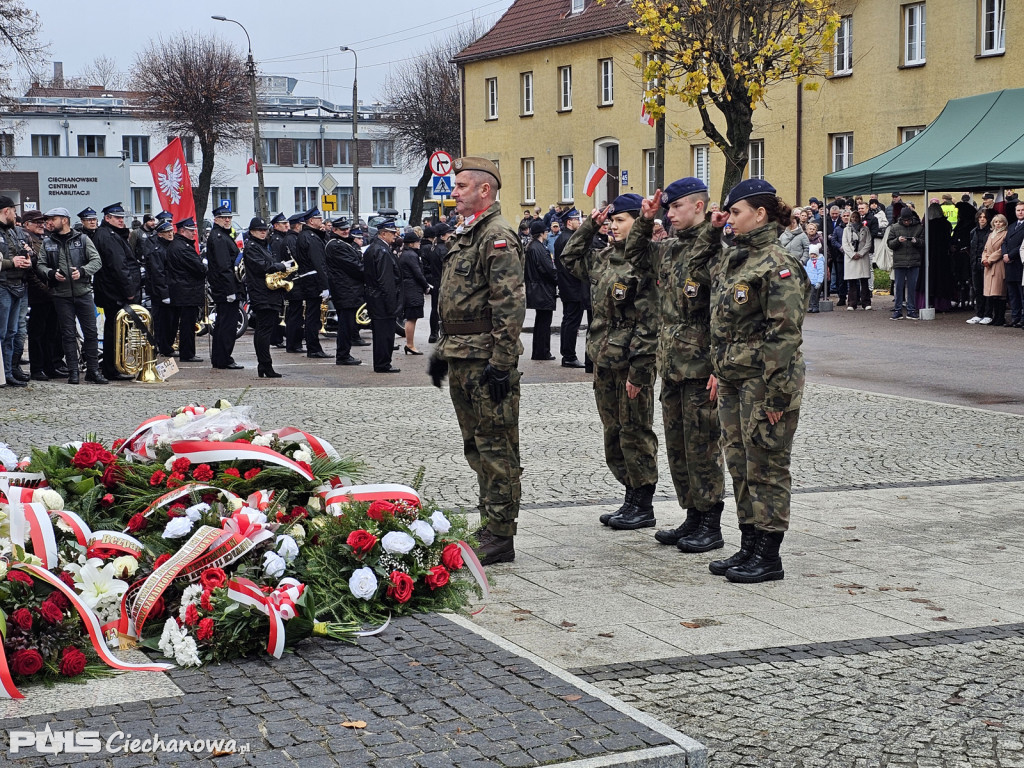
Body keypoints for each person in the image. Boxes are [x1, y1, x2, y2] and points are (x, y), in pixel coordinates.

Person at [707, 179, 808, 583]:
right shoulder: (739, 257)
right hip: (734, 377)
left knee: (767, 463)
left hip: (765, 382)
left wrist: (778, 395)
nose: (729, 218)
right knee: (739, 462)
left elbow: (784, 333)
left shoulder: (776, 262)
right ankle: (748, 543)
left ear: (760, 214)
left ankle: (769, 555)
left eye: (735, 212)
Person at [429, 157, 525, 565]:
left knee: (496, 446)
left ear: (485, 190)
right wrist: (439, 349)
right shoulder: (469, 235)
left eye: (462, 185)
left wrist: (502, 363)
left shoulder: (497, 236)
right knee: (475, 445)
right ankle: (489, 522)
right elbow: (456, 301)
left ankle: (501, 535)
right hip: (461, 356)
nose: (454, 192)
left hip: (485, 359)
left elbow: (509, 304)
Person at [624, 178, 726, 544]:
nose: (670, 214)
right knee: (678, 446)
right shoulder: (668, 249)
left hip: (700, 366)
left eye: (676, 207)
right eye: (667, 208)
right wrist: (643, 219)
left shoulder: (715, 250)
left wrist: (719, 366)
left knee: (703, 447)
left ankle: (710, 524)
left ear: (699, 206)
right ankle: (692, 515)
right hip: (671, 365)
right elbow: (633, 254)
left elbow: (721, 314)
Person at [563, 194, 658, 529]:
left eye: (621, 220)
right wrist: (589, 224)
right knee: (614, 431)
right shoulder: (603, 258)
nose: (613, 226)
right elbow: (569, 257)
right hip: (604, 357)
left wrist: (641, 370)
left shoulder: (644, 262)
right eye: (611, 220)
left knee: (635, 430)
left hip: (631, 361)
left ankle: (643, 501)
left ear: (638, 222)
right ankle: (629, 494)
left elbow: (650, 321)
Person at [37, 207, 106, 384]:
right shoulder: (47, 242)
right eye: (48, 220)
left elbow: (96, 260)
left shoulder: (82, 239)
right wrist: (51, 274)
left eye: (53, 219)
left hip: (83, 292)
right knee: (67, 335)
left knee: (91, 333)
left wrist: (83, 271)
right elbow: (41, 265)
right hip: (61, 295)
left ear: (64, 220)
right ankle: (73, 372)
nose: (49, 223)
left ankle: (93, 371)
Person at [91, 202, 142, 382]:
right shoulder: (108, 236)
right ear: (107, 218)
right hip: (114, 293)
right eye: (117, 218)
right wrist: (129, 292)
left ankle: (112, 367)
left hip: (112, 291)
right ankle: (111, 368)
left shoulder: (110, 234)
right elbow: (118, 266)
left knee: (116, 331)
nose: (121, 221)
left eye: (122, 218)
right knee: (115, 332)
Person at [242, 217, 287, 377]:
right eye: (259, 230)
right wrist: (280, 266)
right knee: (264, 330)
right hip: (262, 293)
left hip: (268, 293)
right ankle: (265, 365)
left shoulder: (261, 246)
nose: (263, 232)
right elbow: (263, 267)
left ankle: (264, 365)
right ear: (252, 231)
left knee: (264, 329)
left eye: (264, 230)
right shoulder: (252, 247)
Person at [206, 205, 244, 370]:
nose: (227, 220)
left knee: (224, 324)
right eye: (223, 218)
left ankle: (220, 358)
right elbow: (223, 266)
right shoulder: (219, 237)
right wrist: (230, 291)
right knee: (227, 325)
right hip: (226, 288)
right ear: (216, 219)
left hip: (224, 287)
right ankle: (224, 358)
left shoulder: (221, 235)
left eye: (229, 217)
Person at [164, 218, 207, 362]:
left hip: (184, 289)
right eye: (190, 231)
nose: (193, 234)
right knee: (187, 324)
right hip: (187, 290)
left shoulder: (178, 245)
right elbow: (199, 269)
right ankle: (187, 353)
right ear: (182, 231)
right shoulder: (182, 247)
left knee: (185, 323)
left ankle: (187, 352)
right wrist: (203, 266)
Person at [363, 219, 402, 373]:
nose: (395, 235)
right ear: (383, 233)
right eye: (392, 233)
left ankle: (382, 363)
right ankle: (383, 364)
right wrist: (392, 304)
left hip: (376, 297)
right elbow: (386, 281)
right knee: (384, 334)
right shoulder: (382, 251)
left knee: (381, 333)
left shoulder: (375, 248)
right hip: (382, 300)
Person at [0, 196, 31, 387]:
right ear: (6, 211)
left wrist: (27, 259)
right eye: (13, 210)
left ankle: (9, 372)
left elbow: (21, 252)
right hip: (2, 286)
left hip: (17, 285)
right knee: (2, 333)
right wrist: (13, 263)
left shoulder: (12, 232)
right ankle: (2, 373)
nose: (16, 214)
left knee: (11, 332)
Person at [324, 218, 364, 366]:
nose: (346, 231)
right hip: (345, 289)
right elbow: (353, 266)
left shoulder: (341, 244)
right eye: (342, 230)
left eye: (347, 229)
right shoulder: (336, 246)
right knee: (346, 324)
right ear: (334, 230)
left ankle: (344, 353)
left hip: (346, 288)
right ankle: (343, 355)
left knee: (347, 323)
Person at [291, 208, 330, 358]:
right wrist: (325, 285)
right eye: (318, 218)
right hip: (313, 280)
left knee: (312, 315)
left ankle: (313, 347)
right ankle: (313, 348)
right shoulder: (310, 237)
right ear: (311, 221)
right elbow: (319, 262)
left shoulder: (307, 235)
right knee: (313, 317)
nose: (321, 221)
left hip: (310, 279)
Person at [555, 210, 587, 369]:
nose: (579, 222)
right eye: (576, 219)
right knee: (571, 322)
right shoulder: (568, 239)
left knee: (569, 321)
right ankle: (569, 356)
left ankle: (568, 355)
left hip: (569, 287)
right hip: (572, 287)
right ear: (569, 221)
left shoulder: (564, 237)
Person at [524, 220, 557, 361]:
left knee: (540, 322)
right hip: (542, 289)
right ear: (542, 233)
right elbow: (548, 269)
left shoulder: (532, 246)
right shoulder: (539, 248)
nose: (548, 233)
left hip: (536, 288)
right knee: (544, 322)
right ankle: (542, 352)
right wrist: (558, 279)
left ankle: (539, 351)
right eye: (546, 231)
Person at [887, 208, 924, 320]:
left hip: (914, 262)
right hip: (900, 262)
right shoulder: (894, 227)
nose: (906, 222)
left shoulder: (919, 227)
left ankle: (911, 310)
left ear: (911, 218)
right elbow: (889, 243)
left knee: (912, 287)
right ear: (901, 219)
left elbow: (924, 242)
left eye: (908, 220)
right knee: (898, 287)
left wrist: (916, 241)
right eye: (904, 220)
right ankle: (897, 310)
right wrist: (898, 240)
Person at [398, 229, 430, 355]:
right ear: (411, 244)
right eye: (417, 242)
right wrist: (426, 285)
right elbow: (417, 273)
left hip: (408, 287)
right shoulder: (411, 255)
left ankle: (410, 344)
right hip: (412, 289)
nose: (419, 244)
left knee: (412, 317)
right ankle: (410, 344)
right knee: (412, 318)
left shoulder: (405, 254)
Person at [150, 221, 177, 356]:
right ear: (160, 234)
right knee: (163, 322)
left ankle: (167, 346)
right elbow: (158, 273)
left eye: (171, 231)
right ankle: (163, 347)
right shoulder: (158, 250)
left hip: (172, 289)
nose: (170, 234)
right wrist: (164, 293)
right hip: (161, 293)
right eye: (167, 232)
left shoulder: (170, 247)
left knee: (171, 321)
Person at [842, 208, 873, 310]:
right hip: (851, 259)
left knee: (864, 281)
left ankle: (866, 303)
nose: (855, 219)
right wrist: (852, 254)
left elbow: (868, 243)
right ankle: (852, 303)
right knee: (852, 282)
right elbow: (845, 244)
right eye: (853, 217)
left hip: (862, 258)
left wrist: (860, 253)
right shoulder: (846, 230)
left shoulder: (865, 229)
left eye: (857, 217)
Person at [1000, 201, 1024, 327]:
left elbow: (1022, 246)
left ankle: (1022, 319)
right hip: (1009, 265)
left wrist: (1010, 255)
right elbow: (1004, 242)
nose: (1020, 212)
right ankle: (1015, 318)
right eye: (1018, 210)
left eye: (1022, 210)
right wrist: (1004, 254)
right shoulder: (1012, 226)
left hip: (1019, 264)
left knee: (1022, 293)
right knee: (1013, 294)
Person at [982, 213, 1008, 326]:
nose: (998, 224)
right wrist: (984, 259)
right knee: (992, 294)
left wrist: (990, 259)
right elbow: (986, 249)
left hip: (998, 265)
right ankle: (994, 316)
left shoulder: (1005, 234)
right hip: (988, 266)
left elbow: (1002, 249)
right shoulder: (991, 234)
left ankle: (1000, 317)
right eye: (996, 222)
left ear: (1004, 223)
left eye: (1000, 222)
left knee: (999, 292)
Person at [966, 209, 992, 324]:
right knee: (978, 289)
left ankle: (988, 314)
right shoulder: (973, 232)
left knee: (987, 290)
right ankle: (979, 313)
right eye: (980, 217)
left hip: (987, 264)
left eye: (984, 217)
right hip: (975, 263)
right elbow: (972, 248)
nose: (982, 219)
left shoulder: (991, 232)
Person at [805, 237, 825, 313]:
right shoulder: (809, 261)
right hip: (810, 281)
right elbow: (807, 270)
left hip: (815, 281)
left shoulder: (819, 262)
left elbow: (821, 272)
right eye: (811, 254)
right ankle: (811, 306)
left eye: (814, 254)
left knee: (815, 295)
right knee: (810, 295)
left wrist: (819, 281)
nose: (813, 256)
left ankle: (815, 307)